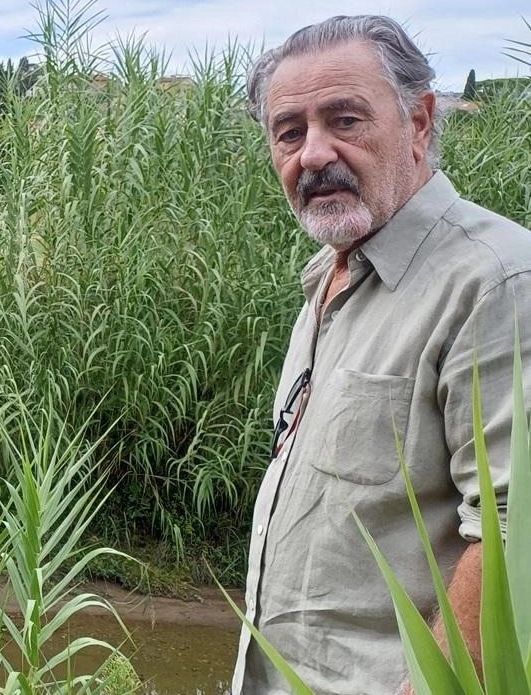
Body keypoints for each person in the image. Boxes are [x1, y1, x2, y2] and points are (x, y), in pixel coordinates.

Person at [234, 15, 530, 695]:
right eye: (289, 131)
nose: (311, 153)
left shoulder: (495, 280)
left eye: (343, 120)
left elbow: (516, 534)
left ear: (418, 123)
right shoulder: (328, 278)